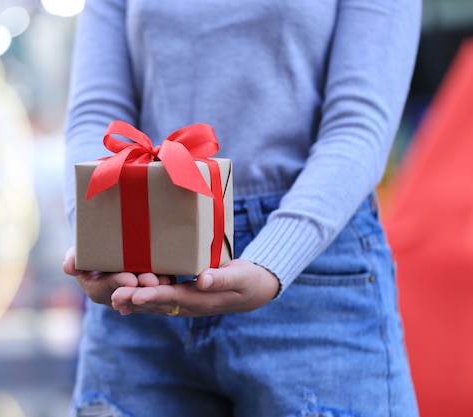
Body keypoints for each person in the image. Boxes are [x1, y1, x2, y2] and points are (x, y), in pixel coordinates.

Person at [62, 1, 422, 416]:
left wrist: (274, 260)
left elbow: (360, 123)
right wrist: (98, 239)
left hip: (313, 276)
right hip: (142, 273)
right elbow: (96, 112)